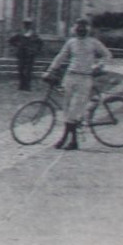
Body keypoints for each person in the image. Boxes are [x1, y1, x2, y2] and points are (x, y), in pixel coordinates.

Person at [42, 18, 113, 150]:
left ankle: (65, 138)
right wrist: (50, 70)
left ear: (88, 29)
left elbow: (107, 55)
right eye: (78, 28)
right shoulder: (71, 42)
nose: (81, 30)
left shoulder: (93, 42)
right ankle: (73, 141)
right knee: (67, 109)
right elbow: (61, 56)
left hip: (84, 79)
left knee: (74, 110)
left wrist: (99, 66)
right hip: (70, 77)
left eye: (84, 28)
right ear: (75, 29)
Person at [8, 20, 44, 92]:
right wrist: (17, 45)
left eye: (28, 24)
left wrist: (35, 50)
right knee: (20, 69)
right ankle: (21, 86)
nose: (26, 26)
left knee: (28, 71)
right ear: (23, 25)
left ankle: (27, 87)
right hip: (21, 54)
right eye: (25, 24)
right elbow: (11, 40)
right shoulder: (20, 34)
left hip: (30, 55)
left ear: (30, 26)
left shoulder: (34, 35)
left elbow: (40, 43)